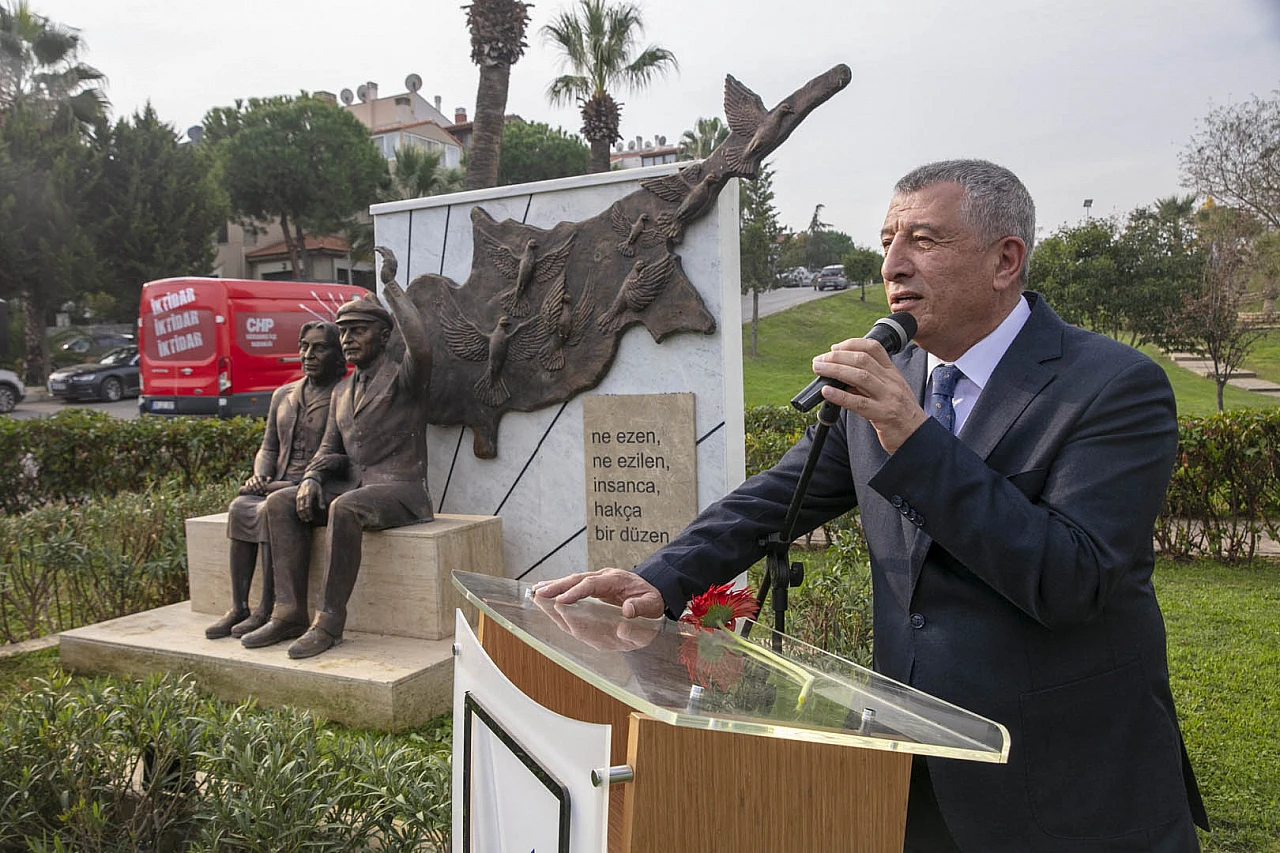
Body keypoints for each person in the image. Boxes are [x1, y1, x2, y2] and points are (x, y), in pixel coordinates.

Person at [536, 160, 1209, 852]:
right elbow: (775, 497)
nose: (892, 262)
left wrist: (913, 436)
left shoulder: (1114, 388)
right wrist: (661, 576)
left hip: (1069, 791)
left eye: (924, 239)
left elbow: (1072, 578)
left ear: (1006, 259)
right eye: (887, 238)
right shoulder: (894, 383)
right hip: (913, 774)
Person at [241, 264, 433, 660]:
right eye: (343, 332)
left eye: (358, 330)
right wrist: (311, 477)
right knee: (280, 501)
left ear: (383, 336)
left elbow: (422, 346)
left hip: (401, 490)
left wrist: (391, 286)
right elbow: (330, 449)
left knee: (345, 507)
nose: (347, 339)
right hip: (356, 486)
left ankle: (328, 622)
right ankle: (289, 612)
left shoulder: (405, 378)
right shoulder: (343, 390)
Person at [204, 320, 345, 640]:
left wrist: (305, 479)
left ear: (337, 354)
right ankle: (239, 606)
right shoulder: (284, 394)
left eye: (320, 348)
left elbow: (339, 453)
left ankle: (266, 608)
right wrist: (260, 475)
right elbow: (268, 446)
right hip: (277, 482)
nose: (309, 354)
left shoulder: (343, 393)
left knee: (272, 507)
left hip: (316, 486)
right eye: (305, 346)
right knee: (240, 506)